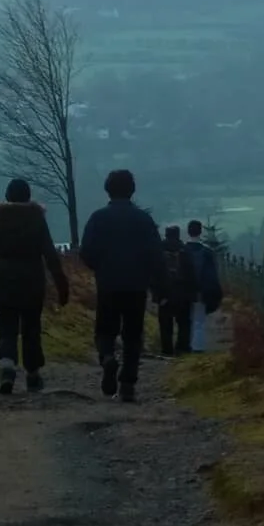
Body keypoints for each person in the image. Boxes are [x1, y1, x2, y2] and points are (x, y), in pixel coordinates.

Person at [76, 165, 165, 400]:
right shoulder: (144, 220)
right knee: (133, 335)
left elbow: (86, 252)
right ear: (132, 190)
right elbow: (156, 254)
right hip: (136, 286)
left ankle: (107, 358)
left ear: (108, 190)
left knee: (105, 330)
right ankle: (128, 383)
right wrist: (158, 285)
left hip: (108, 284)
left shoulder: (98, 218)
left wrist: (100, 268)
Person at [0, 176, 70, 396]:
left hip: (4, 280)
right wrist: (61, 284)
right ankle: (32, 375)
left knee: (6, 326)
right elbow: (50, 253)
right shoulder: (36, 219)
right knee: (31, 327)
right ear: (28, 196)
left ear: (8, 196)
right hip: (32, 280)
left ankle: (7, 368)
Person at [182, 219, 224, 351]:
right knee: (199, 321)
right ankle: (198, 347)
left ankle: (185, 346)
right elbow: (212, 275)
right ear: (200, 232)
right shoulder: (207, 252)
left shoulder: (182, 250)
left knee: (185, 320)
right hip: (201, 291)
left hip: (184, 291)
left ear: (188, 231)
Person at [154, 224, 190, 356]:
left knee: (165, 325)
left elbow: (155, 275)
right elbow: (190, 274)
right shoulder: (185, 250)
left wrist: (157, 295)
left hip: (164, 293)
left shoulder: (159, 251)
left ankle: (167, 349)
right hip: (182, 293)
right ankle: (182, 347)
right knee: (184, 323)